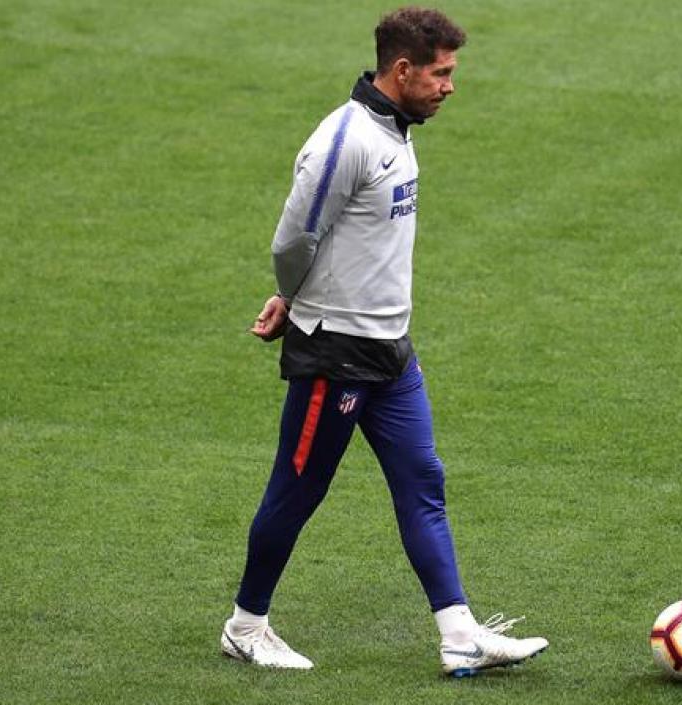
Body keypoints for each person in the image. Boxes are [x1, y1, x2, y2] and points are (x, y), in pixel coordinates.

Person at [219, 7, 548, 677]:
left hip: (391, 350)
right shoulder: (345, 141)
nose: (450, 86)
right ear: (402, 71)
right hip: (335, 355)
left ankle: (458, 634)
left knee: (423, 480)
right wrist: (293, 298)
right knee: (297, 490)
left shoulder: (397, 127)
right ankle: (245, 626)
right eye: (441, 73)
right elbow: (294, 238)